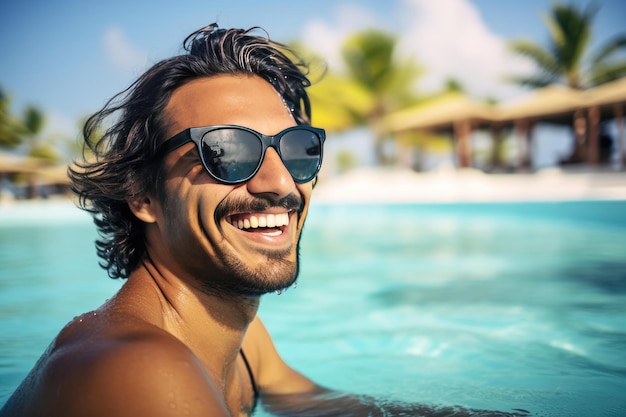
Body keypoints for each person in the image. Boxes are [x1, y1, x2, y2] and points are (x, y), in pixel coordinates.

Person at [1, 24, 529, 417]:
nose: (280, 184)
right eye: (228, 151)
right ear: (142, 194)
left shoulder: (239, 336)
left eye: (298, 149)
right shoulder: (140, 370)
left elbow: (324, 406)